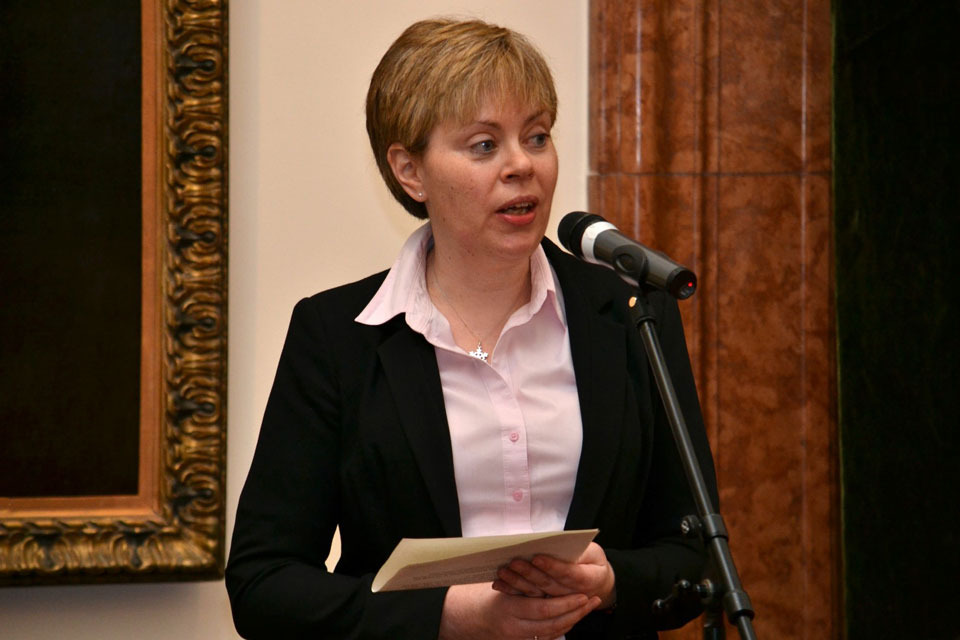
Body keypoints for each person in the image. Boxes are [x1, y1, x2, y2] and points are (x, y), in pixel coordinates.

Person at [226, 18, 718, 640]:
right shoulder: (337, 337)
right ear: (410, 171)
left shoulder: (629, 314)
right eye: (484, 145)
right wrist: (451, 617)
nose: (522, 165)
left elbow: (695, 553)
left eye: (537, 136)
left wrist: (613, 582)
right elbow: (264, 586)